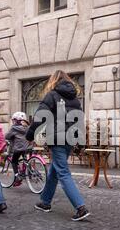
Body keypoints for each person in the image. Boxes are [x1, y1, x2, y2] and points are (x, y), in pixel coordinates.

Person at [26, 70, 90, 221]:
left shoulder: (52, 95)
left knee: (63, 173)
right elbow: (79, 122)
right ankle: (45, 202)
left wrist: (30, 135)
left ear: (53, 81)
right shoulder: (75, 99)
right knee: (55, 170)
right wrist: (80, 144)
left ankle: (80, 207)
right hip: (70, 139)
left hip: (57, 138)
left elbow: (40, 117)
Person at [5, 112, 31, 186]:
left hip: (19, 148)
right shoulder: (27, 127)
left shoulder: (14, 128)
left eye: (14, 120)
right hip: (28, 147)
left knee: (14, 161)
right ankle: (28, 172)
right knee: (25, 160)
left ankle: (17, 176)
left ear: (16, 120)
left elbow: (7, 136)